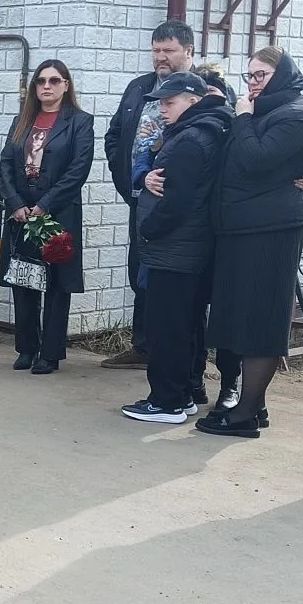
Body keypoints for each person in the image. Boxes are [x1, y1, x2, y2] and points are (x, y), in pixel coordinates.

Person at [189, 47, 303, 438]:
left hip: (271, 231)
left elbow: (256, 159)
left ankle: (245, 414)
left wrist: (244, 117)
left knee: (261, 319)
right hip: (242, 228)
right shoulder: (266, 112)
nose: (253, 82)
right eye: (250, 75)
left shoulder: (297, 116)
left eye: (261, 74)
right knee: (241, 317)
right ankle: (254, 402)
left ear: (282, 75)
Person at [119, 72, 230, 423]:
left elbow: (178, 200)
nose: (163, 110)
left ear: (193, 101)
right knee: (182, 325)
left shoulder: (192, 139)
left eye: (170, 103)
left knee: (166, 329)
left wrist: (149, 230)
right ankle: (181, 396)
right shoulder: (197, 132)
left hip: (174, 249)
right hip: (184, 248)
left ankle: (166, 402)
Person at [101, 20, 197, 371]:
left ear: (188, 51)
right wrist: (127, 178)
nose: (160, 57)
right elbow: (114, 135)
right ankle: (143, 347)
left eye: (168, 50)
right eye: (155, 50)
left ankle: (181, 357)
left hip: (182, 206)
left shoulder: (206, 88)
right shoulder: (139, 87)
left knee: (174, 279)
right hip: (140, 199)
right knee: (139, 271)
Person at [0, 60, 93, 375]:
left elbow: (78, 170)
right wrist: (15, 203)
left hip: (58, 213)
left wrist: (45, 204)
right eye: (41, 81)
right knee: (24, 279)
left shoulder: (80, 122)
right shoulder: (21, 121)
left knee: (56, 285)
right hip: (21, 214)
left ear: (66, 85)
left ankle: (49, 354)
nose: (46, 86)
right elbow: (6, 164)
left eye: (54, 80)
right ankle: (26, 348)